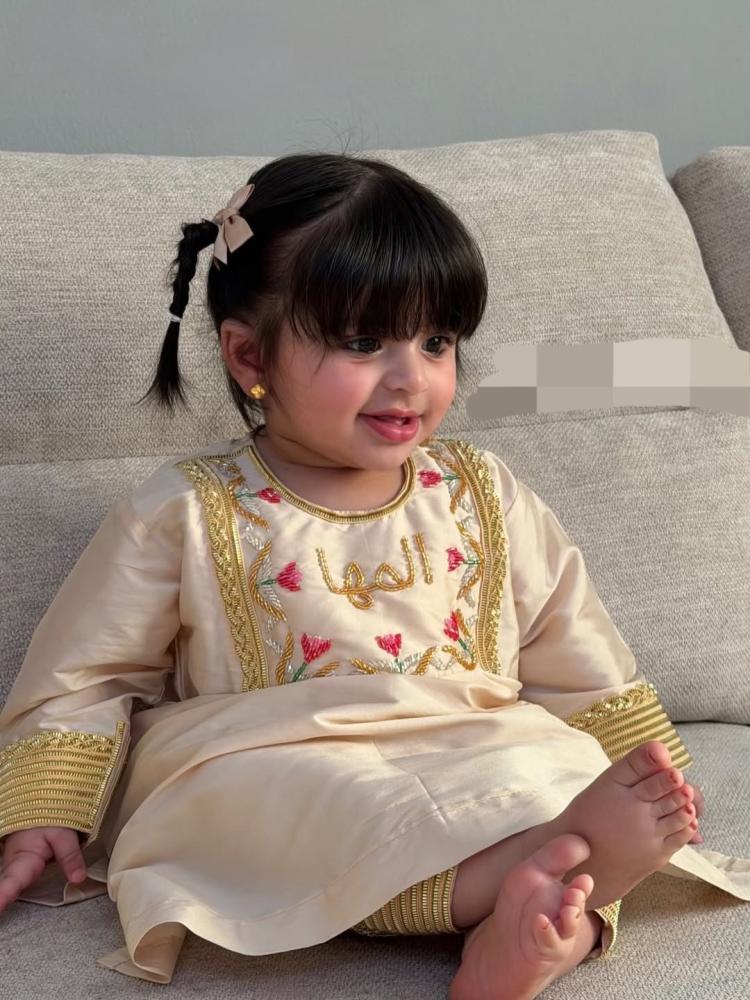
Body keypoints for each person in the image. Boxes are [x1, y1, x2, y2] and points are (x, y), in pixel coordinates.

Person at [0, 153, 748, 996]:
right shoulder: (185, 510)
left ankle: (542, 922)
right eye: (364, 343)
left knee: (548, 768)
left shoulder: (481, 489)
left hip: (467, 741)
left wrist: (641, 760)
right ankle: (539, 879)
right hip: (281, 755)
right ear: (249, 356)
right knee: (299, 801)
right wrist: (46, 806)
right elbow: (87, 672)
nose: (411, 378)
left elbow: (570, 645)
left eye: (436, 343)